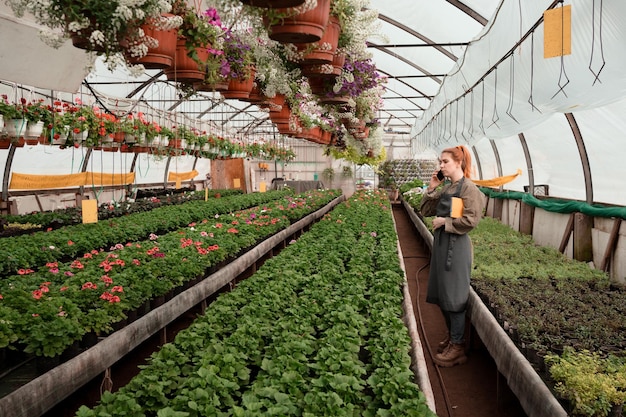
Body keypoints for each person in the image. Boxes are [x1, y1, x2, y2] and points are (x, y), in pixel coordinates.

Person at [419, 145, 485, 367]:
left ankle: (457, 346)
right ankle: (452, 338)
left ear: (458, 162)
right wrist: (431, 187)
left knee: (454, 297)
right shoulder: (448, 188)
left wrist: (445, 222)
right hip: (442, 244)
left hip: (456, 248)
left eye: (445, 162)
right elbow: (426, 211)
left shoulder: (469, 189)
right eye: (440, 162)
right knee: (442, 293)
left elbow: (471, 220)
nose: (441, 165)